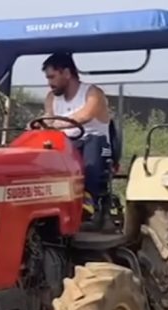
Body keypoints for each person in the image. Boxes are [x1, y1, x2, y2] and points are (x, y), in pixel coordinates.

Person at [40, 52, 112, 221]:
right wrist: (36, 124)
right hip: (66, 144)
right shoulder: (52, 98)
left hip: (96, 145)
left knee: (92, 144)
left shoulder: (93, 93)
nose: (49, 83)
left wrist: (55, 123)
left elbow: (84, 116)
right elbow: (47, 117)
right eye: (47, 78)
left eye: (52, 77)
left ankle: (88, 199)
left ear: (66, 73)